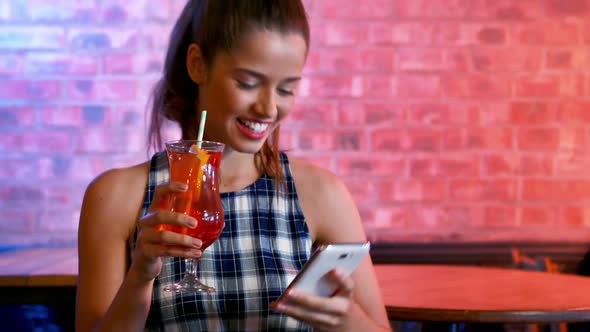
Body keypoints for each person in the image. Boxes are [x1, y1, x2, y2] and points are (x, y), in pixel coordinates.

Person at [75, 0, 391, 331]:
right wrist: (141, 274)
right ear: (197, 64)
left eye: (286, 89)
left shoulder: (324, 195)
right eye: (248, 82)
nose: (268, 108)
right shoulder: (114, 198)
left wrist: (346, 320)